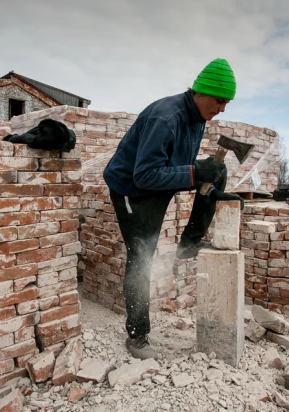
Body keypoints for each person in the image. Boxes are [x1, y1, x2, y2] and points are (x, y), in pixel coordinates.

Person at [103, 58, 244, 359]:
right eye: (220, 100)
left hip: (158, 181)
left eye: (227, 102)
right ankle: (137, 336)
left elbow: (179, 166)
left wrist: (209, 185)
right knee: (141, 255)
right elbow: (143, 175)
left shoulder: (198, 118)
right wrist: (195, 174)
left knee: (216, 169)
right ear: (201, 92)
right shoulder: (165, 118)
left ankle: (189, 242)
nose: (223, 109)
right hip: (132, 189)